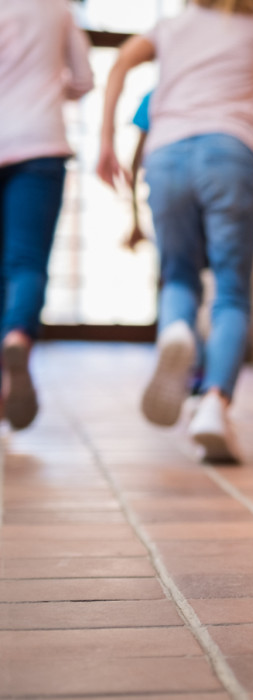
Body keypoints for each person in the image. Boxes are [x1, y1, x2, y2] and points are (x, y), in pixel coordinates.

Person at [96, 0, 253, 463]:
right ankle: (213, 404)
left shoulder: (170, 26)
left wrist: (105, 139)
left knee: (178, 277)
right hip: (230, 153)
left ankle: (175, 331)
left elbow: (122, 61)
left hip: (165, 156)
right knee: (230, 291)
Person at [0, 0, 94, 431]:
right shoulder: (59, 11)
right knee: (27, 262)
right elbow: (84, 79)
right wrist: (54, 85)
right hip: (41, 143)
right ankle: (18, 335)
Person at [125, 90, 253, 251]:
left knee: (178, 268)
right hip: (222, 181)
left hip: (179, 186)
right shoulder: (241, 89)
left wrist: (135, 221)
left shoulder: (158, 94)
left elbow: (136, 162)